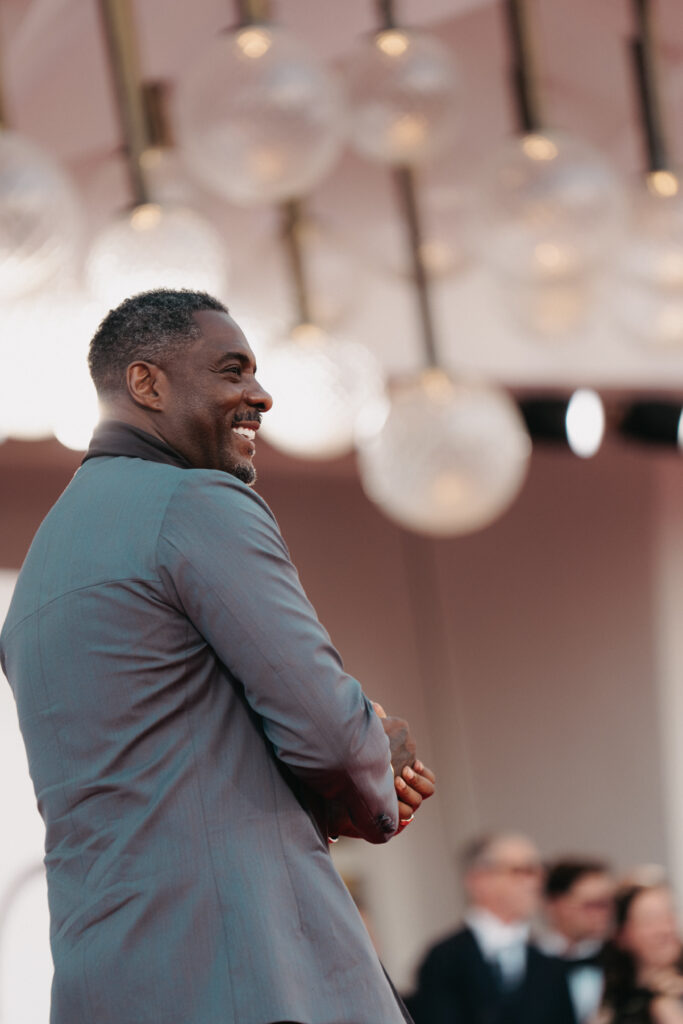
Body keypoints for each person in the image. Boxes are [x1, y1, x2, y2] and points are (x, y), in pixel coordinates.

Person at [0, 289, 436, 1024]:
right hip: (253, 971)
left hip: (101, 982)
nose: (259, 396)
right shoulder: (196, 503)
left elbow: (163, 780)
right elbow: (329, 735)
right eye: (232, 371)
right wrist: (374, 765)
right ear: (147, 383)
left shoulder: (35, 582)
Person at [409, 832, 576, 1024]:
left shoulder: (549, 962)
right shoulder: (444, 959)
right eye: (522, 871)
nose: (536, 882)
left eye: (540, 871)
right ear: (478, 880)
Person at [599, 870, 683, 1024]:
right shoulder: (606, 997)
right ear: (621, 935)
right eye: (649, 920)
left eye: (669, 917)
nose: (665, 930)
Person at [537, 856, 614, 1022]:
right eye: (593, 905)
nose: (604, 914)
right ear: (555, 905)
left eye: (607, 904)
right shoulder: (527, 961)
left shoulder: (617, 958)